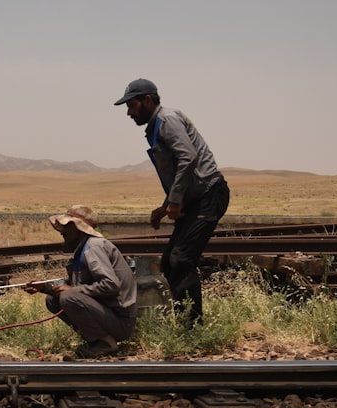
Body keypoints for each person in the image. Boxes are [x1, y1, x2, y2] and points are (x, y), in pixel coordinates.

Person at [115, 78, 230, 326]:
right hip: (197, 198)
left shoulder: (167, 120)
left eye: (132, 105)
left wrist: (175, 203)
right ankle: (186, 322)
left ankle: (192, 327)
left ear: (147, 100)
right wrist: (165, 205)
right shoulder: (156, 126)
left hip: (209, 195)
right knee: (170, 260)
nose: (128, 112)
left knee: (181, 259)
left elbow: (188, 158)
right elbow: (180, 170)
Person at [25, 206, 138, 358]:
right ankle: (97, 340)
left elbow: (110, 285)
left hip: (120, 321)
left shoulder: (93, 247)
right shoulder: (82, 251)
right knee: (53, 299)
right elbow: (70, 287)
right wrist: (44, 287)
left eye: (67, 226)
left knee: (68, 297)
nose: (62, 231)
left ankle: (105, 343)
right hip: (108, 316)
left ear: (77, 228)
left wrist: (72, 291)